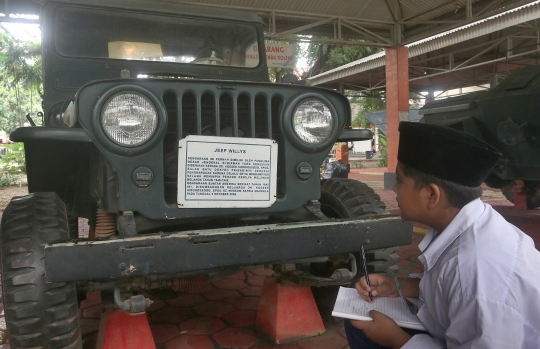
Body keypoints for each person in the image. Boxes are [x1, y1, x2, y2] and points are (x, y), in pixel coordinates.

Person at [345, 122, 540, 349]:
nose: (394, 190)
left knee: (364, 331)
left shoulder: (476, 274)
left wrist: (397, 340)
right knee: (360, 321)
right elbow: (449, 289)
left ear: (431, 194)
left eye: (399, 180)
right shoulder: (472, 222)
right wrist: (400, 288)